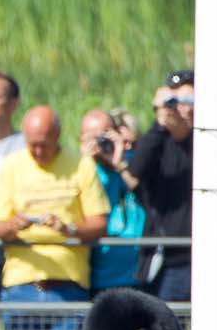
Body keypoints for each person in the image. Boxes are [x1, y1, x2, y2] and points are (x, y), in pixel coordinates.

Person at [0, 105, 109, 330]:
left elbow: (98, 223)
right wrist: (13, 225)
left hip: (67, 287)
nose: (38, 150)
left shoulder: (80, 165)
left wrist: (68, 229)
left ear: (58, 135)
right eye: (32, 143)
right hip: (20, 287)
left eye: (44, 143)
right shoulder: (12, 166)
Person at [127, 71, 195, 300]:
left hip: (193, 257)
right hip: (159, 257)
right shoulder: (157, 141)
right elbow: (135, 171)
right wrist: (160, 124)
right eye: (175, 101)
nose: (181, 108)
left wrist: (184, 131)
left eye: (188, 101)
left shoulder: (206, 141)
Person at [80, 108, 145, 294]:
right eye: (92, 137)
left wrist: (120, 162)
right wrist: (85, 162)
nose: (100, 143)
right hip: (96, 276)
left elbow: (145, 192)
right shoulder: (80, 168)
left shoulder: (133, 163)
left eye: (105, 135)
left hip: (137, 275)